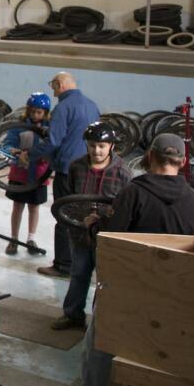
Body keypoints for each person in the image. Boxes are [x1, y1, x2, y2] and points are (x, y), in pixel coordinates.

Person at [55, 134, 194, 386]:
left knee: (98, 349)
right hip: (169, 293)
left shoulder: (134, 193)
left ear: (149, 156)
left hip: (126, 289)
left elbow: (109, 238)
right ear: (183, 162)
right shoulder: (191, 198)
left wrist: (93, 223)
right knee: (155, 355)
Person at [51, 122, 133, 331]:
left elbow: (126, 207)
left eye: (102, 146)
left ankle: (102, 321)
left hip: (106, 236)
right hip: (79, 233)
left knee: (105, 280)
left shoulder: (123, 172)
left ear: (111, 146)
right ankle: (73, 315)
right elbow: (69, 199)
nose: (97, 150)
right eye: (92, 145)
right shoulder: (76, 167)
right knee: (78, 273)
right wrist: (72, 222)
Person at [28, 71, 101, 278]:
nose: (54, 93)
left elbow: (53, 141)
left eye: (54, 88)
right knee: (83, 217)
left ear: (60, 84)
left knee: (63, 218)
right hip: (87, 170)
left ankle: (63, 265)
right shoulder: (92, 105)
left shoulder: (63, 107)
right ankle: (83, 262)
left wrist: (30, 155)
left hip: (66, 170)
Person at [2, 93, 52, 255]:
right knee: (17, 206)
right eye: (33, 111)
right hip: (19, 173)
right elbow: (7, 144)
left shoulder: (49, 129)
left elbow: (52, 148)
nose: (36, 115)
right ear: (28, 110)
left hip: (39, 175)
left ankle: (31, 238)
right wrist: (14, 151)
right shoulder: (19, 126)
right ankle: (13, 239)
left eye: (40, 112)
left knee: (34, 207)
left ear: (45, 112)